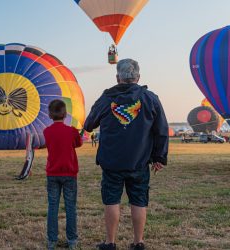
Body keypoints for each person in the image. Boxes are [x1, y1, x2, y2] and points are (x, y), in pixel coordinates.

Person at [83, 59, 168, 250]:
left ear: (117, 77)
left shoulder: (106, 98)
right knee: (139, 201)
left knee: (112, 200)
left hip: (111, 162)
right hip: (139, 162)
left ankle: (110, 242)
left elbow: (89, 124)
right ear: (138, 77)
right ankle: (138, 242)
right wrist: (159, 157)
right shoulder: (150, 98)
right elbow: (161, 130)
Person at [43, 99, 83, 250]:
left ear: (49, 115)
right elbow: (78, 143)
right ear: (65, 114)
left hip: (52, 173)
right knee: (70, 207)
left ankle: (52, 241)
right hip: (69, 174)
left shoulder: (47, 131)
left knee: (53, 206)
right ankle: (72, 240)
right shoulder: (72, 131)